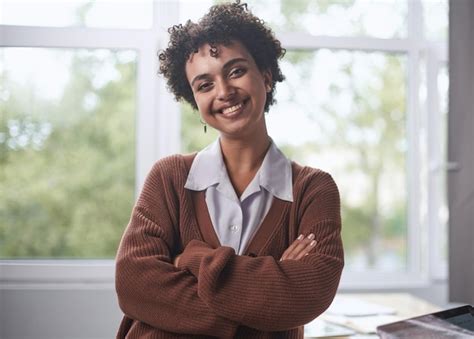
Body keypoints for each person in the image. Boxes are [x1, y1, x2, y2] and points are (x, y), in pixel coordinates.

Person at [115, 1, 344, 338]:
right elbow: (134, 284)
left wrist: (191, 259)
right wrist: (265, 297)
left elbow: (307, 294)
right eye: (204, 85)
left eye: (236, 71)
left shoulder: (313, 190)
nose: (224, 92)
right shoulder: (168, 178)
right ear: (195, 100)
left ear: (265, 75)